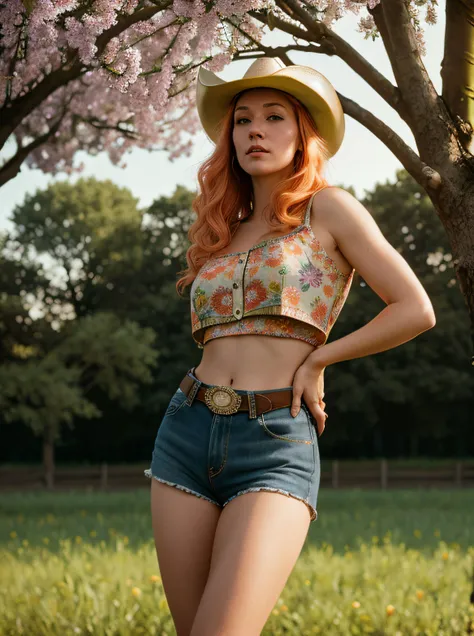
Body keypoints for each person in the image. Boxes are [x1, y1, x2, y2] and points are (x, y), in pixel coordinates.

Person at [144, 57, 436, 636]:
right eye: (243, 120)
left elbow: (415, 309)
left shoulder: (329, 208)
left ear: (302, 133)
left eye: (274, 117)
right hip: (185, 428)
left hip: (275, 438)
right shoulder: (220, 231)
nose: (254, 130)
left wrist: (321, 357)